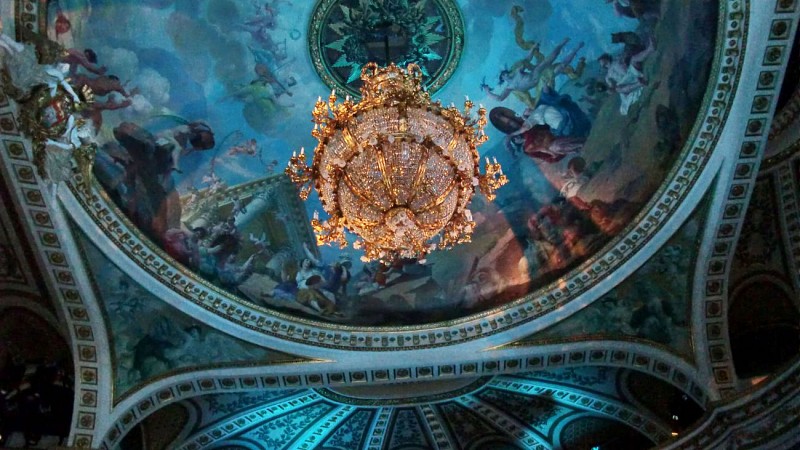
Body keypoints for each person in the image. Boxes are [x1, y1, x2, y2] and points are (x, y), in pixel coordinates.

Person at [489, 107, 585, 163]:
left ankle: (580, 140)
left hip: (556, 133)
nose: (513, 123)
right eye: (510, 123)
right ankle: (580, 146)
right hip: (554, 145)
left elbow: (543, 125)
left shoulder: (527, 127)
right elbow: (545, 153)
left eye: (511, 120)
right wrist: (552, 154)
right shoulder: (527, 147)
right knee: (557, 146)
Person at [598, 37, 655, 115]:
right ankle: (640, 83)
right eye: (600, 63)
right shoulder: (607, 76)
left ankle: (650, 49)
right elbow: (612, 89)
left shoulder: (617, 59)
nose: (601, 63)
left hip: (631, 73)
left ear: (605, 58)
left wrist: (625, 59)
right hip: (626, 83)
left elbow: (627, 59)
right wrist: (608, 88)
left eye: (601, 60)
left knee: (634, 59)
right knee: (618, 89)